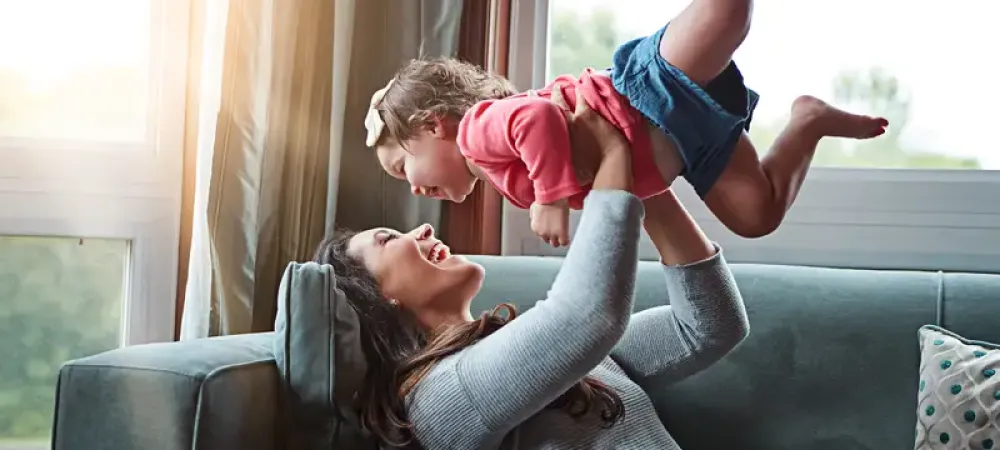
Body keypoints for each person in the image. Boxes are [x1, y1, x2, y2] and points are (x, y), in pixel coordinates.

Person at [317, 92, 750, 449]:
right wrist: (614, 158)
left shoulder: (546, 357)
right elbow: (587, 318)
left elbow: (708, 327)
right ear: (378, 296)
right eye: (389, 239)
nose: (423, 227)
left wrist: (642, 179)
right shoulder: (441, 399)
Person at [364, 0, 890, 246]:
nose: (412, 185)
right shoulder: (497, 175)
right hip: (687, 148)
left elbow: (537, 117)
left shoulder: (477, 132)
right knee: (757, 217)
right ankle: (809, 121)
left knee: (727, 16)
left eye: (399, 166)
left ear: (432, 124)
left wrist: (550, 197)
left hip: (642, 96)